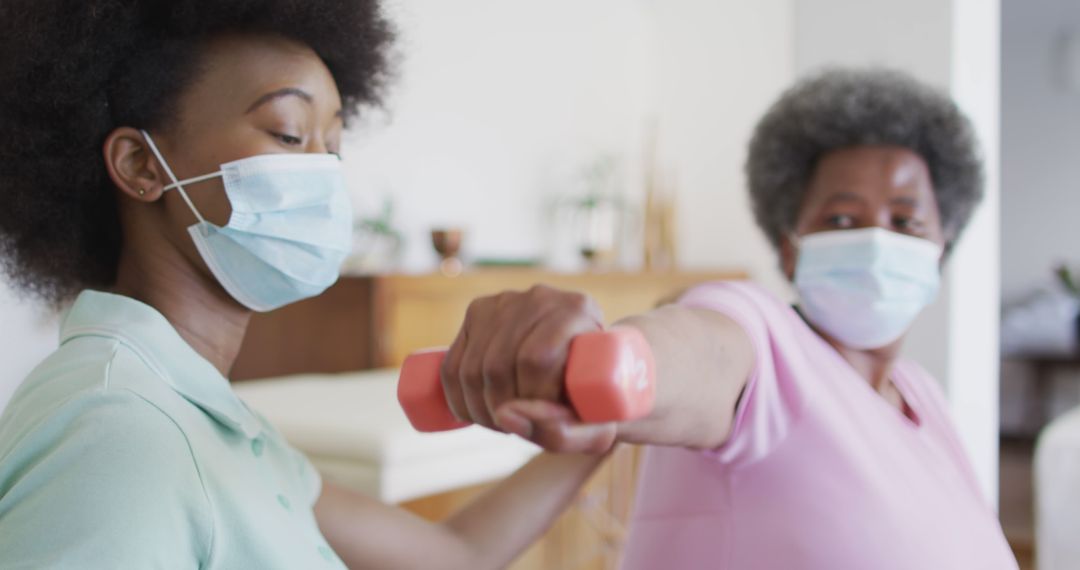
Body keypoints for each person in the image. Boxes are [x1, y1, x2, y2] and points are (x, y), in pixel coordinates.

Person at [0, 2, 608, 568]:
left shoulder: (213, 417)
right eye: (289, 134)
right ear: (141, 165)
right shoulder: (117, 434)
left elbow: (455, 554)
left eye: (333, 146)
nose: (321, 173)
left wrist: (601, 426)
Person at [441, 69, 1020, 569]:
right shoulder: (764, 343)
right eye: (842, 221)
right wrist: (600, 360)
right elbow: (696, 353)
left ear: (941, 248)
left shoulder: (923, 397)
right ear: (791, 247)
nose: (875, 241)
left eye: (906, 221)